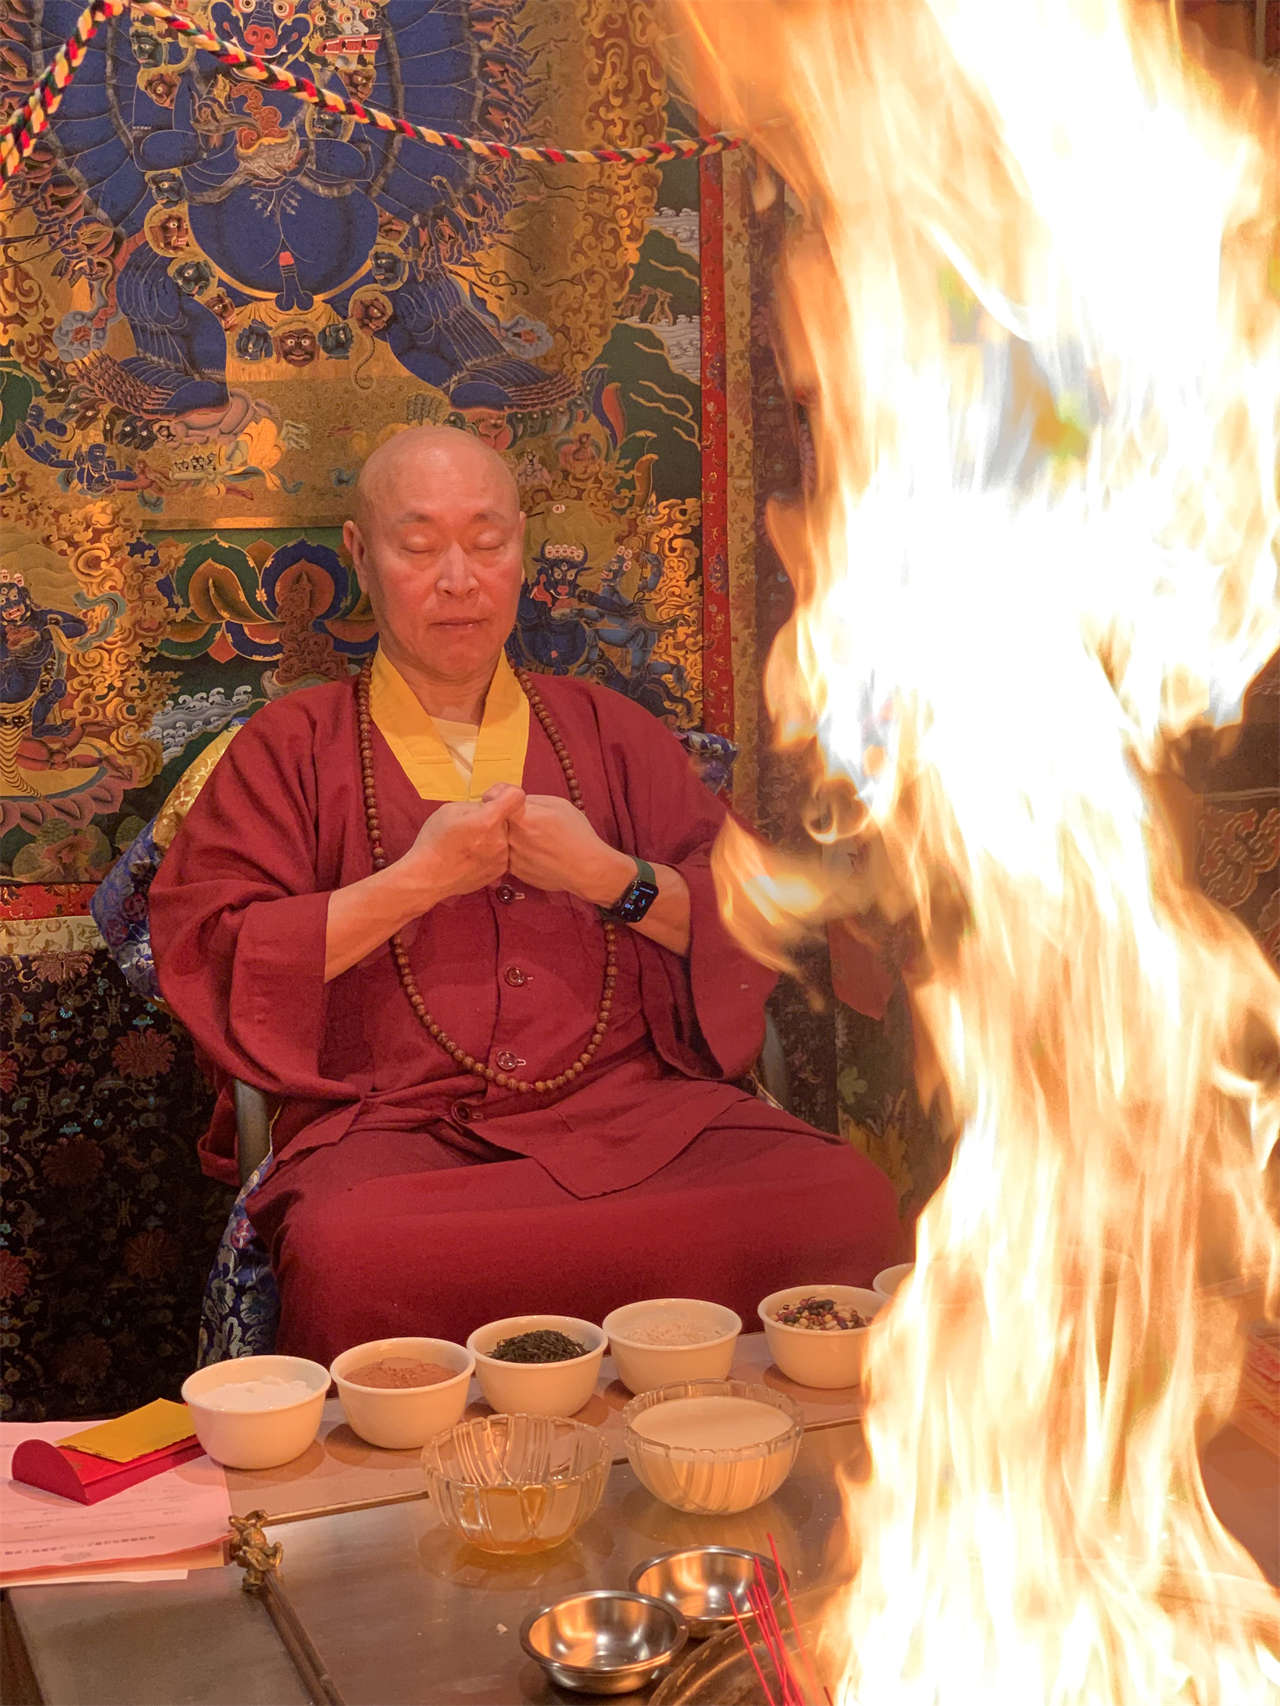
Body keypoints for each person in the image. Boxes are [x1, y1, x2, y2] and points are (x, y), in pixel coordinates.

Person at [149, 426, 901, 1364]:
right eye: (418, 546)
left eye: (487, 542)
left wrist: (609, 877)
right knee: (349, 1257)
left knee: (845, 1203)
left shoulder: (612, 732)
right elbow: (215, 949)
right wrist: (416, 882)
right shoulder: (292, 748)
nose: (458, 580)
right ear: (360, 556)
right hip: (395, 1140)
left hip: (640, 1116)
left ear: (522, 550)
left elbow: (751, 916)